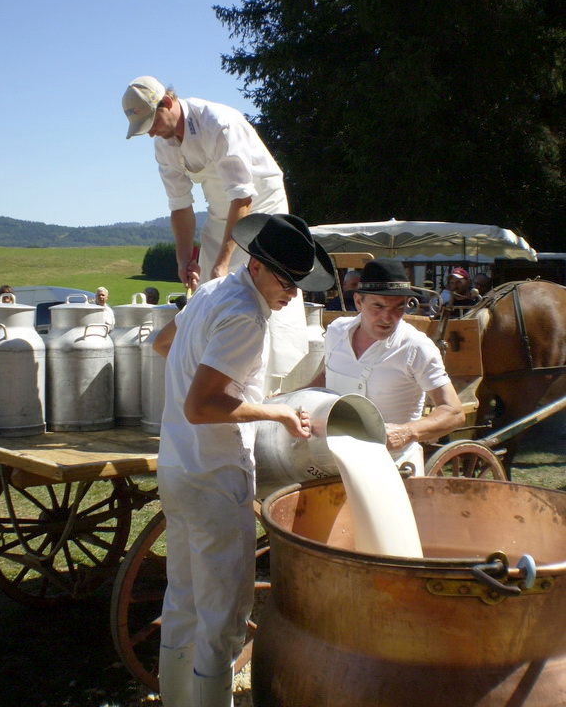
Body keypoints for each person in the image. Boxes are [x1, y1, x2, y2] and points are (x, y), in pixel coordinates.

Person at [152, 213, 334, 707]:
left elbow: (160, 342)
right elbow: (201, 405)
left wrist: (196, 359)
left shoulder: (210, 293)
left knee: (184, 600)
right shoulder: (246, 316)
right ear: (255, 265)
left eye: (297, 283)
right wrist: (275, 411)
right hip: (214, 477)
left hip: (177, 467)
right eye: (284, 280)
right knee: (224, 618)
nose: (292, 294)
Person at [122, 75, 308, 392]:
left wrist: (224, 261)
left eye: (152, 122)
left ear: (166, 102)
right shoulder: (163, 145)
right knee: (213, 292)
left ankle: (276, 389)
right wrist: (185, 259)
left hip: (263, 208)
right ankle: (219, 386)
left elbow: (243, 198)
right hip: (222, 211)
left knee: (266, 287)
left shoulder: (219, 123)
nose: (151, 131)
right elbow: (180, 206)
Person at [310, 259, 464, 475]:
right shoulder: (336, 332)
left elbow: (454, 411)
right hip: (335, 464)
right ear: (358, 301)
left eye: (398, 306)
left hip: (394, 470)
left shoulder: (416, 347)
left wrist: (407, 431)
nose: (387, 317)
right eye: (378, 306)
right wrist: (291, 399)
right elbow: (327, 375)